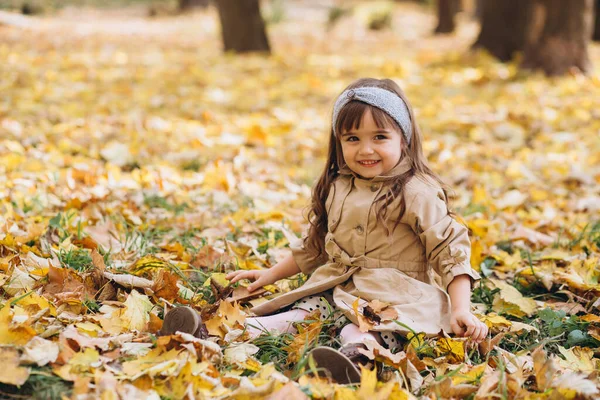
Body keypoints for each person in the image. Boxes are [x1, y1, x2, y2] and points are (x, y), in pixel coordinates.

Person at [165, 78, 489, 383]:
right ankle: (210, 334)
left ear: (403, 139)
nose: (365, 150)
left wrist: (460, 308)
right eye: (353, 138)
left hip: (393, 296)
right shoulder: (339, 185)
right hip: (337, 286)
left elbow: (450, 252)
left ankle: (355, 360)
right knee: (291, 319)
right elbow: (316, 246)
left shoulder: (416, 192)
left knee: (360, 331)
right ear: (338, 142)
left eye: (380, 137)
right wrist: (269, 275)